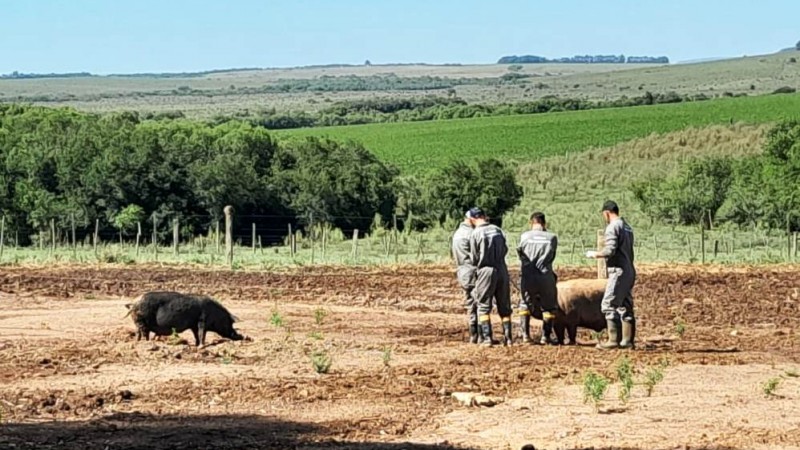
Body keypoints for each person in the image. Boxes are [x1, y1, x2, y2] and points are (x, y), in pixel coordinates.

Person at [586, 200, 636, 349]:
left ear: (606, 213)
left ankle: (613, 341)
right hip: (629, 270)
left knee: (608, 304)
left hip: (618, 271)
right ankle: (628, 341)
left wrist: (595, 254)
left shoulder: (612, 227)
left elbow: (610, 250)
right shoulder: (627, 227)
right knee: (625, 305)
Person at [468, 207, 513, 346]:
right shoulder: (497, 230)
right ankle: (508, 338)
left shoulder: (476, 233)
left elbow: (474, 257)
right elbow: (505, 249)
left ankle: (487, 338)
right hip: (501, 269)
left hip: (486, 270)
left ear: (473, 218)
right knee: (504, 305)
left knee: (483, 305)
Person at [517, 212, 559, 345]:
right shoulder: (552, 237)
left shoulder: (524, 236)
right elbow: (552, 255)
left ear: (531, 223)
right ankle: (545, 337)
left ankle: (526, 336)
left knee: (525, 304)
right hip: (545, 275)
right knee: (548, 307)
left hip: (528, 275)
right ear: (544, 223)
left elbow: (521, 254)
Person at [451, 210, 481, 344]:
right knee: (479, 303)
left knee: (470, 303)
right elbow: (476, 256)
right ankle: (480, 336)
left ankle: (473, 335)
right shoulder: (471, 234)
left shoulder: (457, 234)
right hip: (472, 270)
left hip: (462, 271)